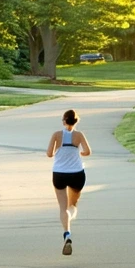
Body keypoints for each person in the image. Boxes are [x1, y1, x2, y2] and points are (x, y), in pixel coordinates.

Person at [47, 109, 91, 255]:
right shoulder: (79, 135)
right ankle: (71, 216)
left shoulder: (56, 135)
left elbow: (49, 154)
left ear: (64, 120)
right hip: (77, 173)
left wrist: (57, 153)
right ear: (76, 121)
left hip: (59, 173)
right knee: (72, 206)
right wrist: (79, 153)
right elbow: (87, 151)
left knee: (62, 207)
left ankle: (67, 233)